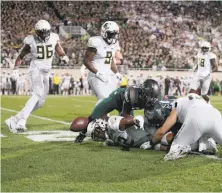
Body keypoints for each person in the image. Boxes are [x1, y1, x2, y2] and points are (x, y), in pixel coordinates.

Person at [5, 19, 69, 133]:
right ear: (37, 32)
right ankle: (22, 121)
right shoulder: (31, 41)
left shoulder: (54, 37)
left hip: (46, 73)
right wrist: (15, 69)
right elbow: (20, 56)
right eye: (41, 32)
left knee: (40, 103)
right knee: (37, 93)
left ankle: (14, 119)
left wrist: (63, 56)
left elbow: (58, 47)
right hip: (35, 70)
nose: (44, 35)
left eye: (45, 32)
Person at [74, 79, 160, 143]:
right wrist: (134, 120)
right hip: (116, 99)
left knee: (129, 132)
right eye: (148, 96)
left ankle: (112, 138)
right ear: (142, 92)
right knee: (92, 118)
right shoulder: (132, 93)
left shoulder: (152, 99)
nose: (150, 100)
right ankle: (82, 134)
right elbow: (124, 115)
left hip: (128, 106)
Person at [141, 93, 221, 160]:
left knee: (173, 152)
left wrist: (151, 144)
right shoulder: (190, 101)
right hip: (215, 114)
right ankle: (208, 142)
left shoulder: (176, 106)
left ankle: (203, 145)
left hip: (195, 117)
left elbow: (162, 131)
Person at [84, 21, 123, 104]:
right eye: (111, 34)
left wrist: (116, 73)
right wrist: (98, 73)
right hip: (95, 75)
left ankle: (103, 116)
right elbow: (86, 61)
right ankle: (98, 117)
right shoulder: (96, 41)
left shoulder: (114, 44)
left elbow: (110, 60)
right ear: (104, 32)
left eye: (115, 34)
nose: (113, 36)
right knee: (103, 98)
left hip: (107, 76)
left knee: (113, 99)